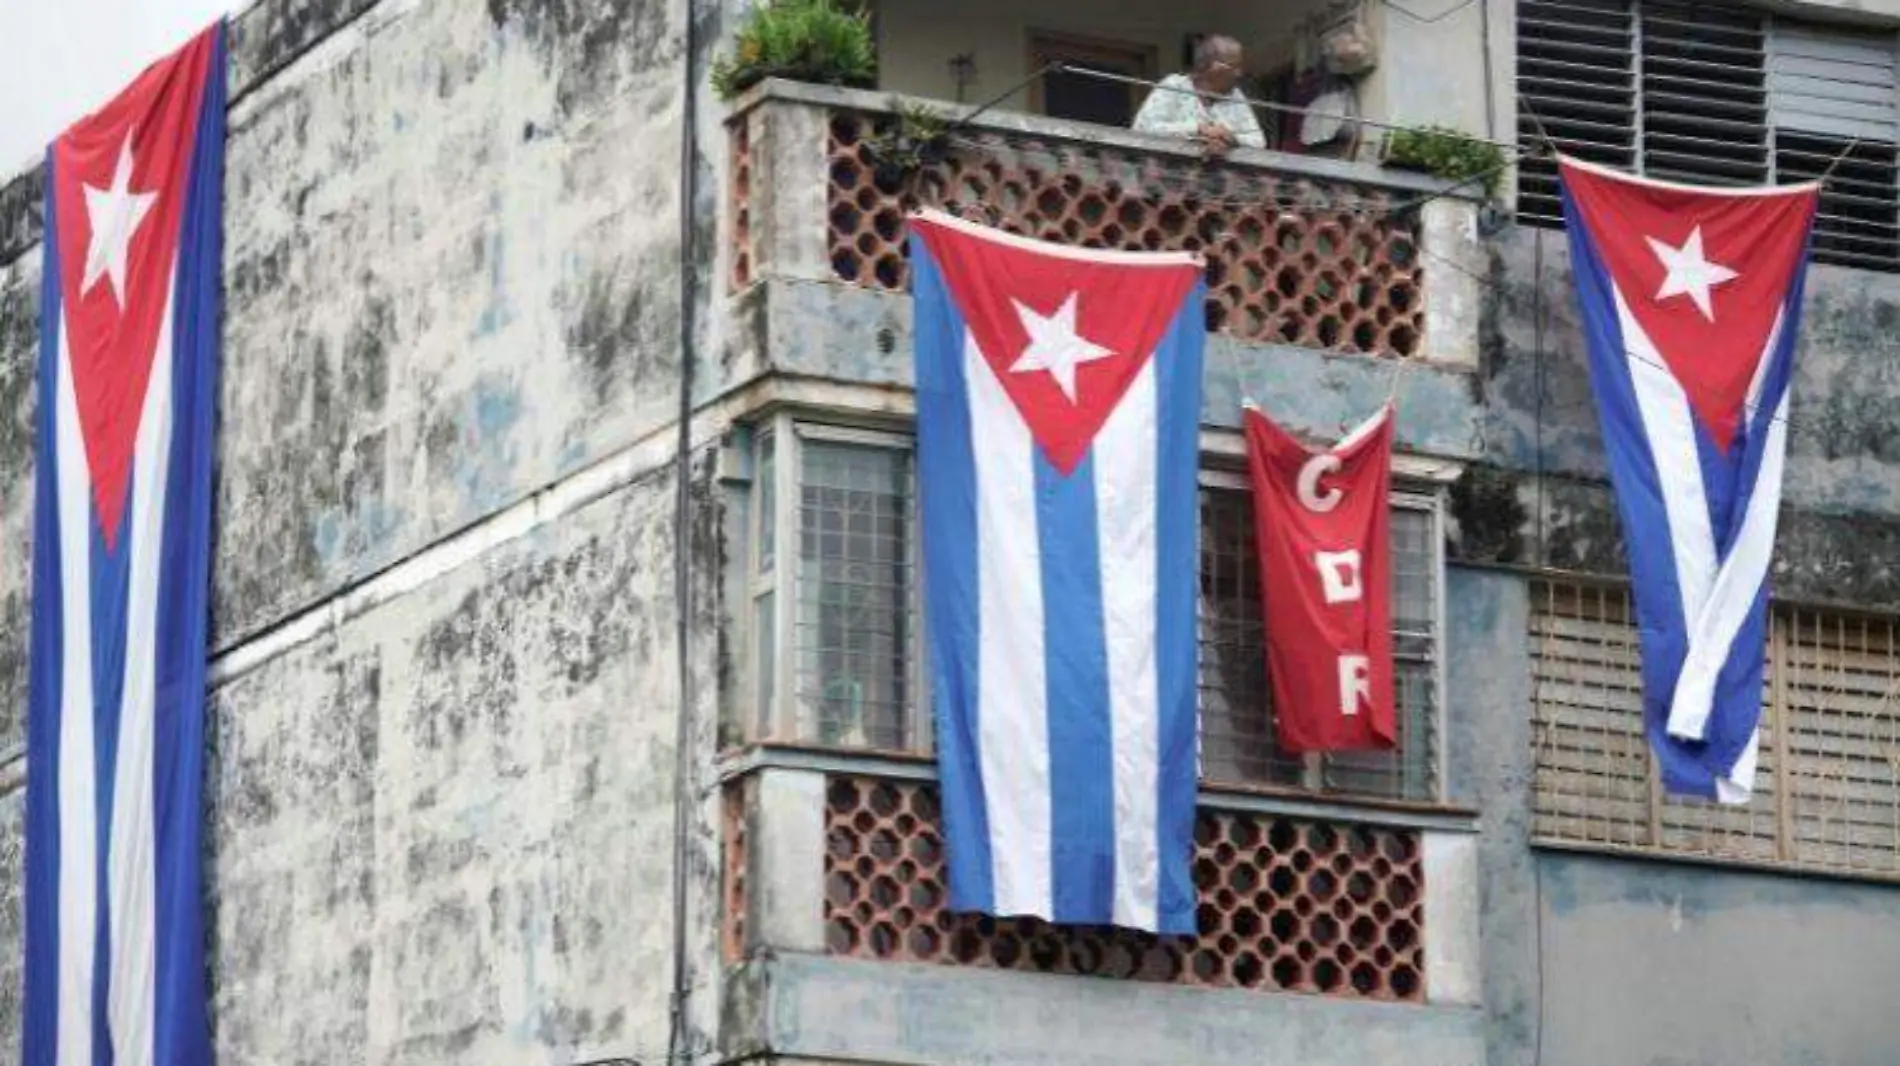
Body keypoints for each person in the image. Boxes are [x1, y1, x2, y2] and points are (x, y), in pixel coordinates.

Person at [1131, 35, 1267, 156]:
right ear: (1214, 67)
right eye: (1234, 67)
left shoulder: (1235, 96)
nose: (1239, 74)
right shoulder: (1175, 85)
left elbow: (1259, 142)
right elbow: (1144, 128)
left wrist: (1231, 138)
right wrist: (1199, 130)